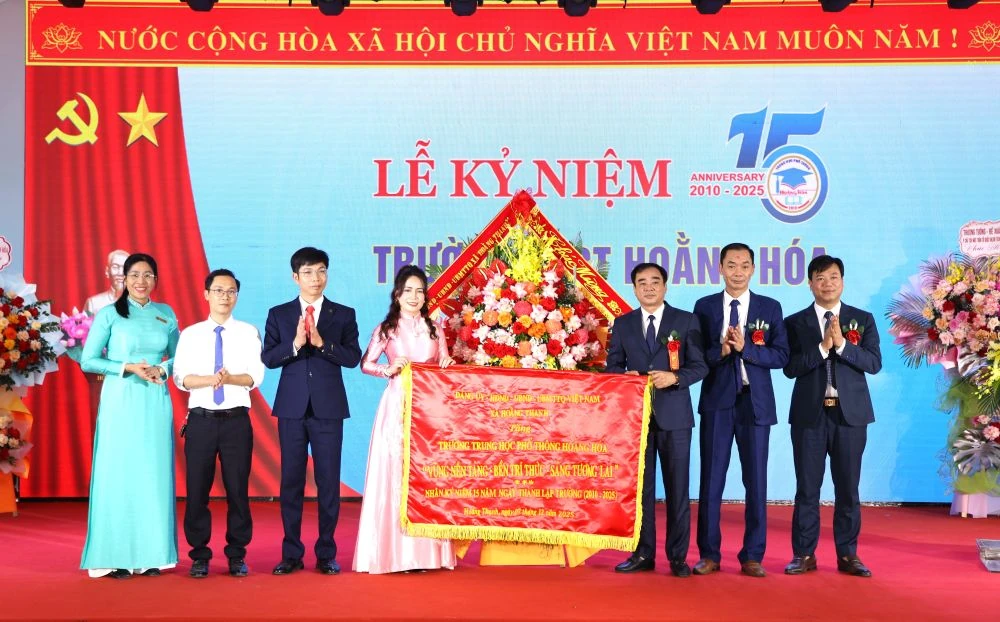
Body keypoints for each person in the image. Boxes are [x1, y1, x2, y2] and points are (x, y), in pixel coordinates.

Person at [262, 247, 361, 576]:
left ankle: (326, 554)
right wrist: (294, 343)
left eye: (321, 271)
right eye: (308, 272)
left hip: (328, 409)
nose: (315, 278)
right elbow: (269, 358)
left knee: (328, 482)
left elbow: (352, 358)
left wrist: (321, 343)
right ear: (295, 277)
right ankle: (291, 553)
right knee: (290, 482)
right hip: (291, 409)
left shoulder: (342, 314)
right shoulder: (279, 314)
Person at [79, 253, 179, 578]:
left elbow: (179, 358)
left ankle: (152, 557)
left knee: (153, 473)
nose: (141, 281)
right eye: (135, 275)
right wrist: (127, 367)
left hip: (155, 400)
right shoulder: (109, 314)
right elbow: (89, 360)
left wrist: (162, 370)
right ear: (124, 278)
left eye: (148, 275)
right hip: (120, 400)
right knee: (117, 473)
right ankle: (113, 557)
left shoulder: (166, 314)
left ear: (156, 280)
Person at [692, 243, 788, 578]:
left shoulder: (770, 307)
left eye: (744, 265)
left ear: (753, 269)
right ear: (720, 268)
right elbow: (696, 357)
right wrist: (720, 351)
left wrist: (747, 350)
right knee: (711, 480)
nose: (737, 272)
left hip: (755, 403)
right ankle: (709, 554)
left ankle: (752, 555)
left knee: (756, 481)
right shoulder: (704, 307)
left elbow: (781, 356)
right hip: (717, 403)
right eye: (731, 265)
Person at [605, 262, 707, 577]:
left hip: (675, 417)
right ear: (634, 288)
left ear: (665, 286)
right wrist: (625, 377)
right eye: (642, 283)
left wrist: (674, 377)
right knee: (641, 491)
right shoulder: (623, 324)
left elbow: (700, 366)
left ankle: (678, 558)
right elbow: (612, 366)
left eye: (654, 282)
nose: (648, 288)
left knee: (678, 490)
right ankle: (642, 553)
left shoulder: (686, 320)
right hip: (636, 420)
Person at [782, 255, 881, 578]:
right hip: (809, 417)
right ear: (810, 283)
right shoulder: (794, 323)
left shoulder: (862, 319)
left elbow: (874, 363)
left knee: (848, 489)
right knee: (807, 489)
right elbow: (790, 368)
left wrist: (842, 345)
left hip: (850, 417)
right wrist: (823, 348)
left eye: (833, 277)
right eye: (820, 278)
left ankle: (848, 555)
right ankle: (804, 554)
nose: (827, 284)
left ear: (842, 281)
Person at [353, 265, 456, 574]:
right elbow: (366, 364)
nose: (414, 296)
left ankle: (427, 556)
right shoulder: (387, 329)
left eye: (420, 291)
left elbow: (442, 361)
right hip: (398, 404)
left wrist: (447, 363)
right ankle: (394, 555)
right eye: (408, 290)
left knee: (427, 475)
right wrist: (387, 369)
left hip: (430, 407)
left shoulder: (436, 328)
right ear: (397, 294)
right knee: (396, 472)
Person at [173, 269, 265, 578]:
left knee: (238, 490)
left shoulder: (248, 332)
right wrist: (210, 380)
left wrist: (229, 379)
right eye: (218, 290)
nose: (225, 296)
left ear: (237, 296)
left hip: (236, 421)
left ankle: (237, 554)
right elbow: (181, 377)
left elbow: (255, 376)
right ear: (206, 294)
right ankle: (199, 554)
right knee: (197, 490)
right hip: (201, 421)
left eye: (231, 291)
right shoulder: (191, 334)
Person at [84, 249, 129, 314]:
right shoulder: (93, 303)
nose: (120, 273)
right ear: (107, 271)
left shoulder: (141, 303)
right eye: (115, 267)